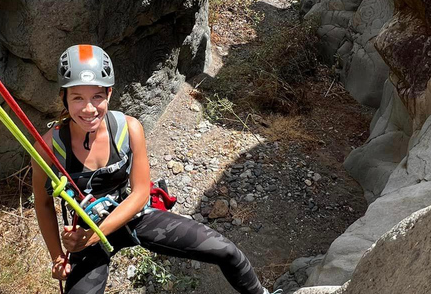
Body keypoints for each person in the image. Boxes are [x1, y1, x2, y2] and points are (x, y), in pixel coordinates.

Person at [32, 44, 280, 294]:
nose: (89, 109)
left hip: (129, 215)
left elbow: (139, 194)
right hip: (87, 232)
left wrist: (94, 237)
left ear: (109, 94)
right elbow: (42, 204)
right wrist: (57, 257)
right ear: (63, 97)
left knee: (228, 252)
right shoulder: (47, 148)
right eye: (78, 98)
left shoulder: (129, 129)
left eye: (97, 96)